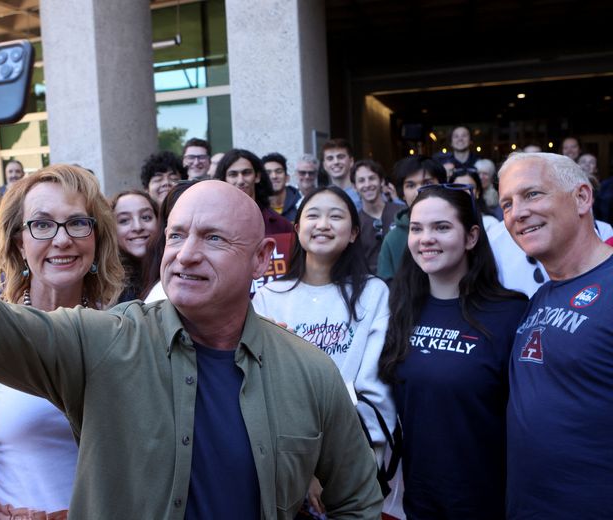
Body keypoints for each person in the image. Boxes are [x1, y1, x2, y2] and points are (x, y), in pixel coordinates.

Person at [0, 44, 382, 519]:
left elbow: (356, 501)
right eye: (175, 236)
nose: (186, 255)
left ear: (264, 257)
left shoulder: (311, 373)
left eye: (214, 239)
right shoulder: (106, 342)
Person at [0, 164, 123, 519]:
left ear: (96, 238)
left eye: (77, 222)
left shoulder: (122, 332)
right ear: (19, 244)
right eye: (41, 224)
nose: (61, 239)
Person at [379, 183, 528, 519]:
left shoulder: (511, 313)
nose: (425, 238)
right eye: (416, 228)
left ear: (471, 237)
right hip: (417, 501)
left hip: (488, 502)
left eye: (441, 227)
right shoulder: (397, 309)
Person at [252, 186, 394, 514]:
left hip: (352, 454)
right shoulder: (269, 296)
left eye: (336, 216)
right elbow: (265, 388)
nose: (323, 224)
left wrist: (335, 467)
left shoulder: (373, 294)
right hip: (284, 461)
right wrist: (304, 468)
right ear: (297, 227)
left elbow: (374, 386)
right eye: (313, 215)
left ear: (355, 232)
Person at [497, 152, 613, 518]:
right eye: (506, 204)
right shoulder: (541, 296)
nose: (517, 213)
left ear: (582, 197)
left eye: (532, 194)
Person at [376, 155, 446, 281]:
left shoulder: (457, 229)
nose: (419, 190)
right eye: (411, 185)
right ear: (402, 193)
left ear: (442, 185)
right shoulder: (392, 239)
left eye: (427, 183)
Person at [213, 148, 294, 235]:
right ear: (224, 180)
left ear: (257, 176)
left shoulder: (281, 226)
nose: (240, 180)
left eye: (246, 173)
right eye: (233, 174)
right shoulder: (212, 223)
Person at [352, 159, 405, 273]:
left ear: (381, 181)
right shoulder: (354, 222)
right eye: (361, 180)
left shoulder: (401, 213)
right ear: (354, 187)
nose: (367, 184)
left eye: (372, 178)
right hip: (370, 284)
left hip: (404, 280)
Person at [111, 189, 159, 302]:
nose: (138, 227)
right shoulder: (102, 285)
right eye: (124, 220)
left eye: (146, 217)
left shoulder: (176, 270)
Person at [321, 138, 361, 210]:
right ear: (324, 165)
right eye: (330, 158)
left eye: (341, 157)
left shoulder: (364, 192)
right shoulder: (322, 196)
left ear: (351, 161)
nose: (336, 162)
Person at [262, 152, 301, 221]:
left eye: (278, 171)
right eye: (268, 173)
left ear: (287, 177)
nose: (274, 176)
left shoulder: (301, 204)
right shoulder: (257, 207)